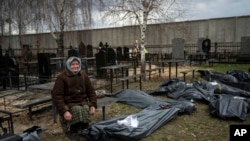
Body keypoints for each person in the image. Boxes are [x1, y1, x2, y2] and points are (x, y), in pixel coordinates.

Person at [52, 56, 97, 141]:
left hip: (82, 101)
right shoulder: (62, 77)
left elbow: (91, 91)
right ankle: (73, 131)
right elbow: (57, 96)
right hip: (69, 102)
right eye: (73, 64)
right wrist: (64, 111)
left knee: (85, 108)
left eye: (77, 64)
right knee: (76, 109)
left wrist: (93, 104)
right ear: (69, 65)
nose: (75, 66)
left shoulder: (83, 75)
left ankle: (84, 129)